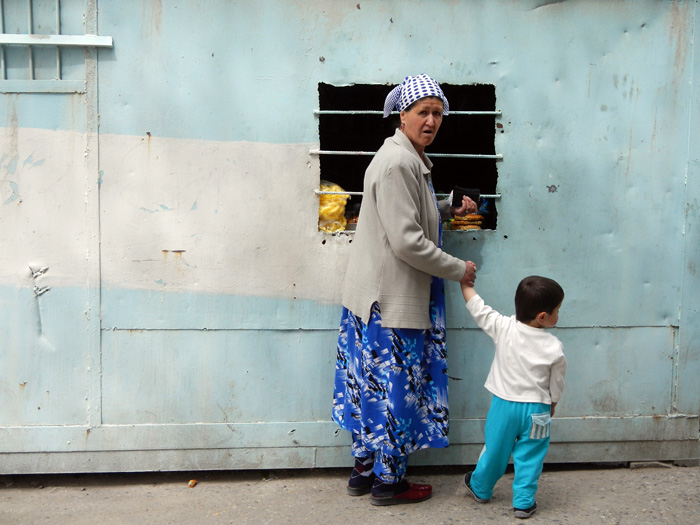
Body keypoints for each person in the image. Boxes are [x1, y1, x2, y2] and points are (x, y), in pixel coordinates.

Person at [331, 74, 478, 506]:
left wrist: (448, 208)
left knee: (369, 386)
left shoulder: (406, 157)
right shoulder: (399, 163)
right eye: (423, 112)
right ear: (403, 114)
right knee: (394, 391)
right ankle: (388, 483)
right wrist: (459, 269)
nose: (431, 120)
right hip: (390, 304)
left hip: (373, 301)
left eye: (437, 113)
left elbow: (410, 216)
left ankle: (364, 470)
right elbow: (407, 240)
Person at [460, 272, 566, 519]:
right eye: (557, 310)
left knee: (495, 450)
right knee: (531, 457)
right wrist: (553, 403)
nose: (558, 315)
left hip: (504, 407)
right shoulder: (554, 346)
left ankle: (480, 487)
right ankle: (523, 502)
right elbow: (557, 381)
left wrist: (464, 283)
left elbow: (478, 308)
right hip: (537, 411)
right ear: (542, 317)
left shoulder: (503, 327)